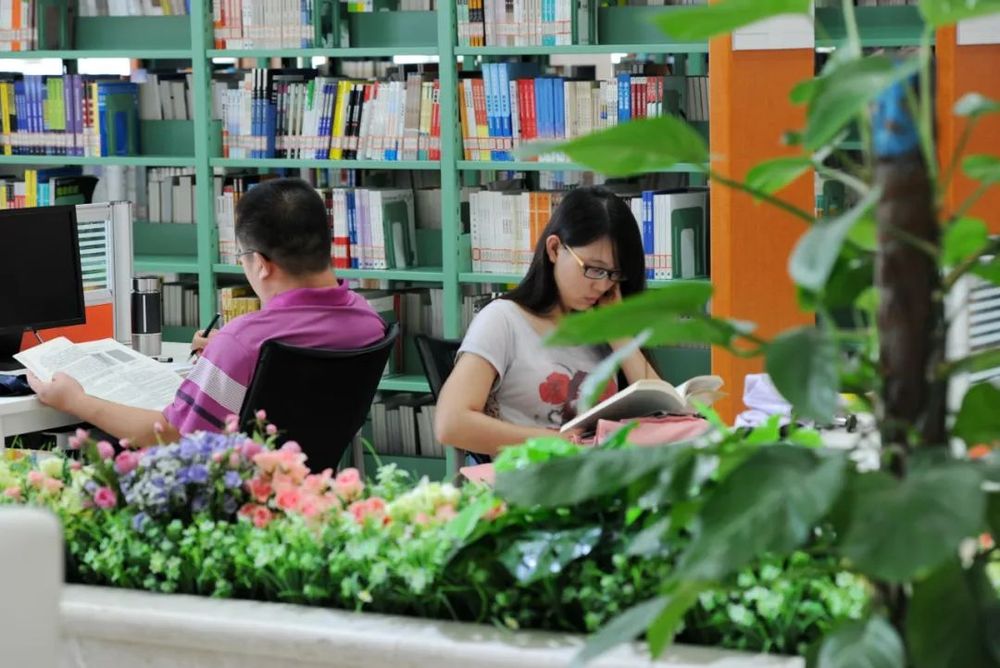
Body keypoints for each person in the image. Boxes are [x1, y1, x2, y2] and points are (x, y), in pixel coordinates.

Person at [28, 177, 386, 446]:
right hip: (308, 492)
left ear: (261, 265)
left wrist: (76, 401)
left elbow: (170, 436)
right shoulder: (367, 321)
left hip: (228, 497)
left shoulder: (243, 342)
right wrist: (232, 355)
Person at [435, 185, 659, 459]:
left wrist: (619, 335)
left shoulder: (601, 324)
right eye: (593, 269)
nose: (602, 286)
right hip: (528, 477)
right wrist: (553, 442)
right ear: (554, 249)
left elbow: (662, 415)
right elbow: (451, 424)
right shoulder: (503, 320)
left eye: (614, 274)